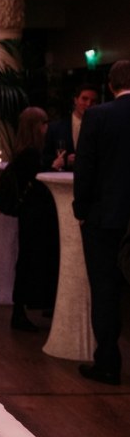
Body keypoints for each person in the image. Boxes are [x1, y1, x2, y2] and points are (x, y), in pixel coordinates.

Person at [73, 59, 130, 385]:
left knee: (105, 291)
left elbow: (85, 169)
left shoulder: (97, 116)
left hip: (105, 218)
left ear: (110, 85)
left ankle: (108, 363)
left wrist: (81, 210)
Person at [1, 107, 58, 332]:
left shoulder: (21, 151)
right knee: (29, 261)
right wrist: (53, 167)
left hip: (27, 215)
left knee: (24, 260)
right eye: (44, 124)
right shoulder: (32, 154)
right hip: (36, 216)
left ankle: (20, 311)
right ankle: (22, 311)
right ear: (37, 126)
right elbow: (37, 183)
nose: (46, 128)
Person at [44, 84, 99, 171]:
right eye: (84, 99)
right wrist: (65, 161)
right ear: (75, 100)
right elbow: (45, 158)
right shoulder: (55, 128)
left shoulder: (101, 128)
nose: (88, 104)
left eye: (93, 101)